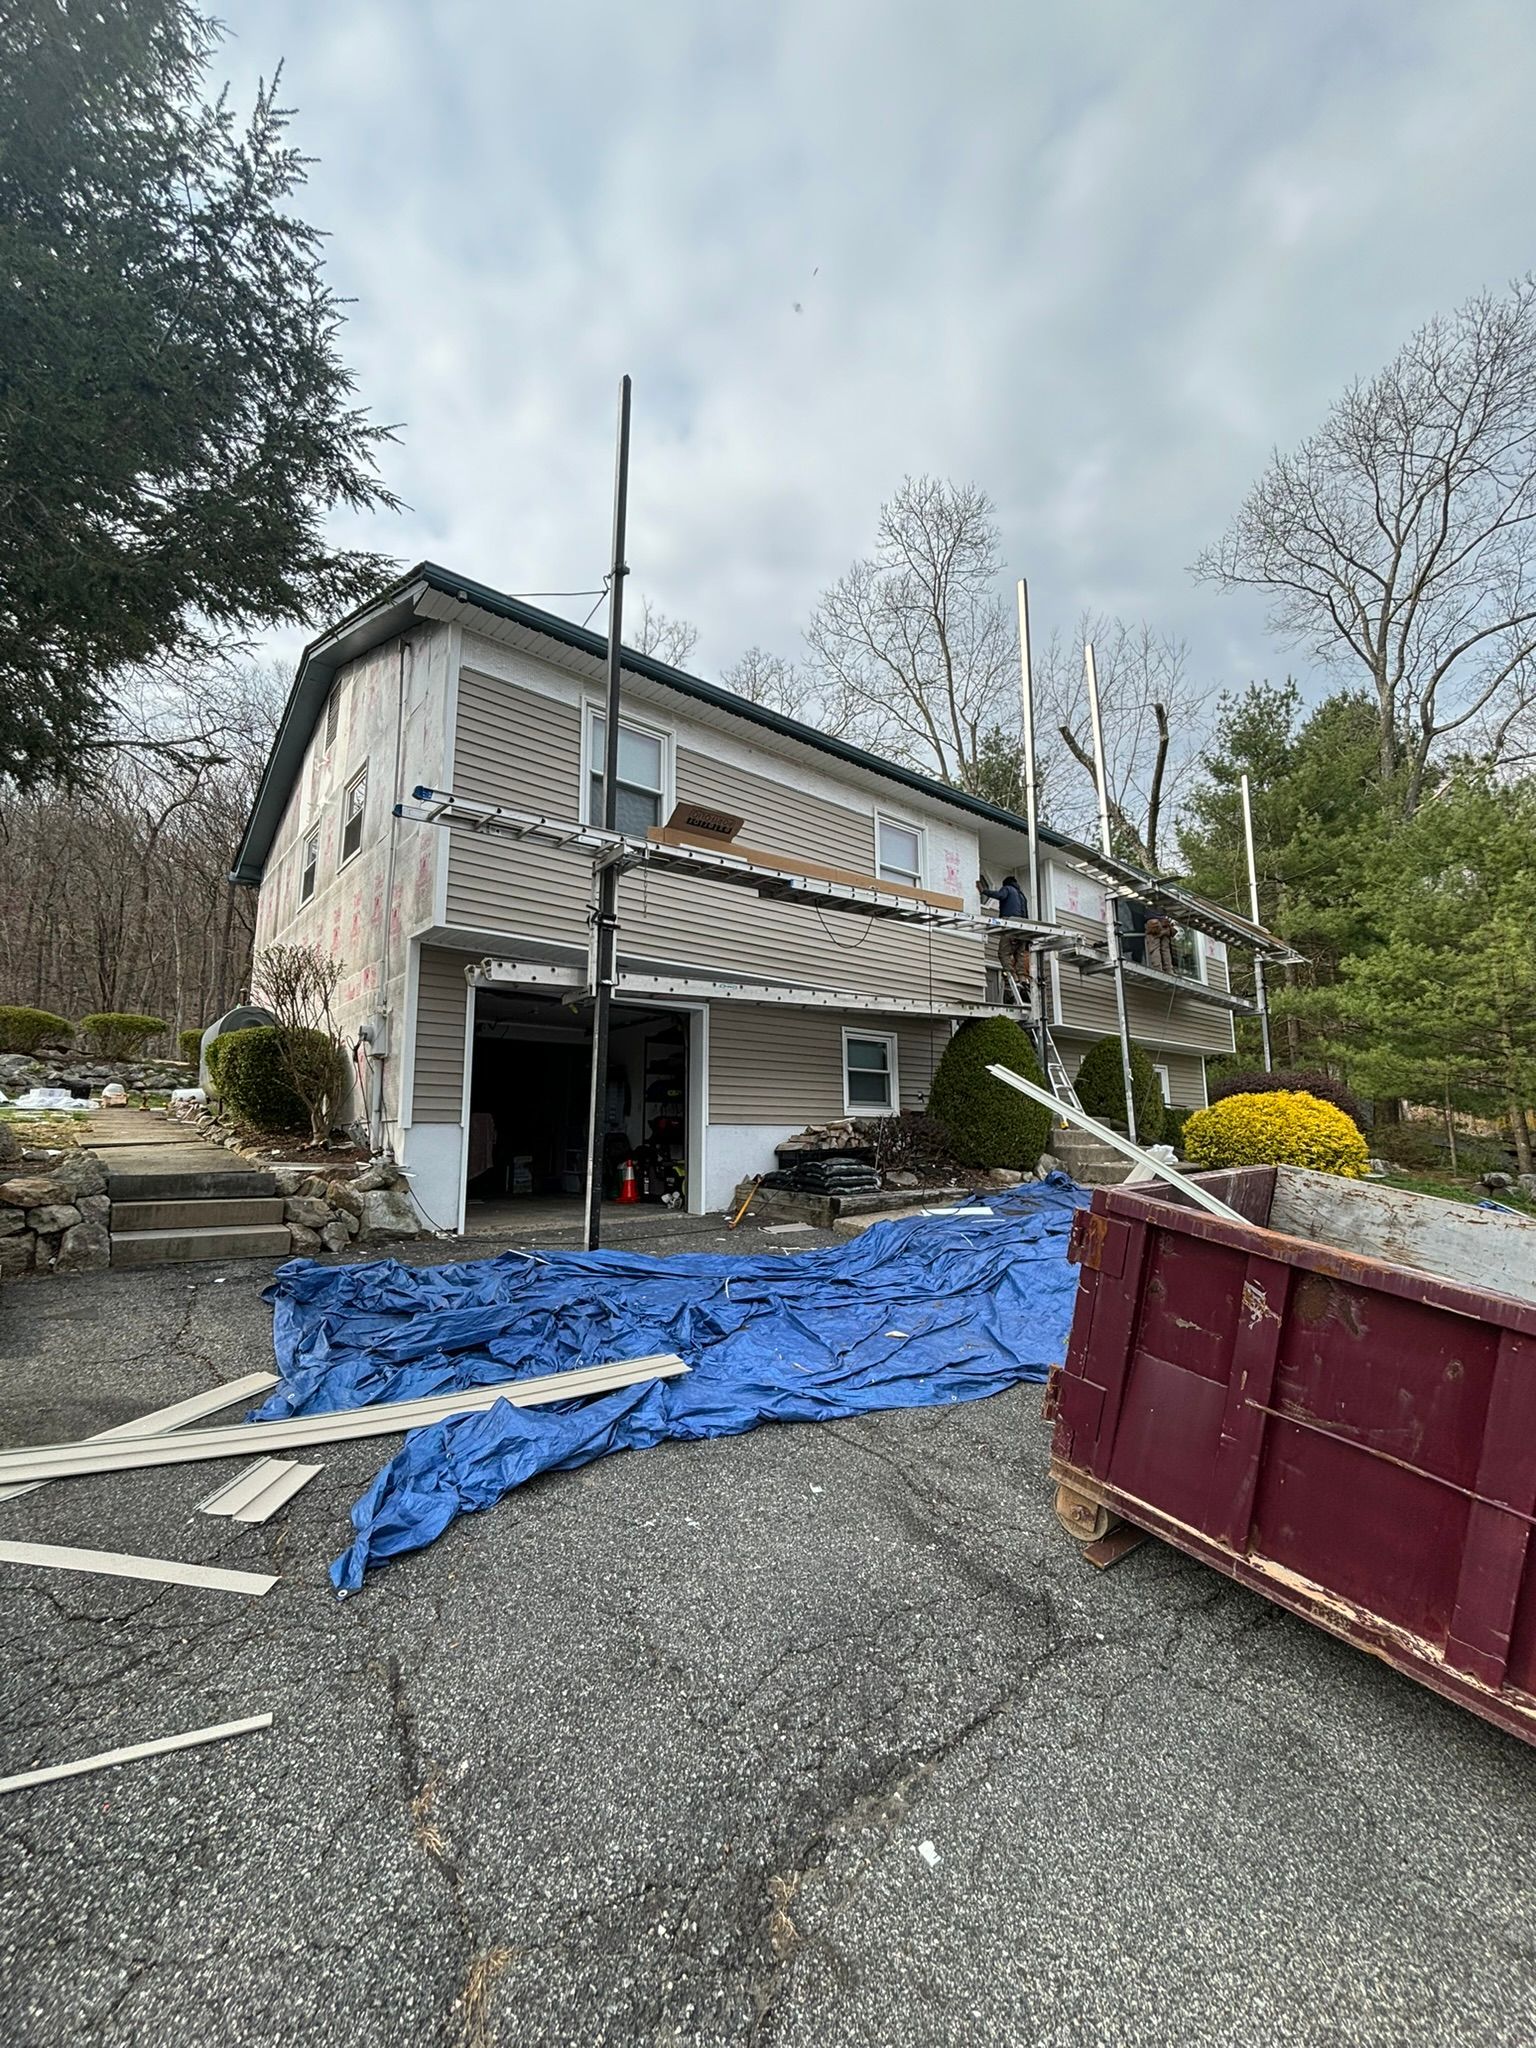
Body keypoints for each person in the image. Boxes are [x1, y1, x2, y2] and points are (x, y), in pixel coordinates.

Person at [978, 873, 1032, 991]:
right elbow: (1026, 913)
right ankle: (1022, 978)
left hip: (1010, 923)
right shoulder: (1022, 896)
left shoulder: (1007, 889)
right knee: (1020, 953)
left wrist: (984, 891)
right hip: (1023, 927)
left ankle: (1012, 976)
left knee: (1004, 953)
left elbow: (1000, 895)